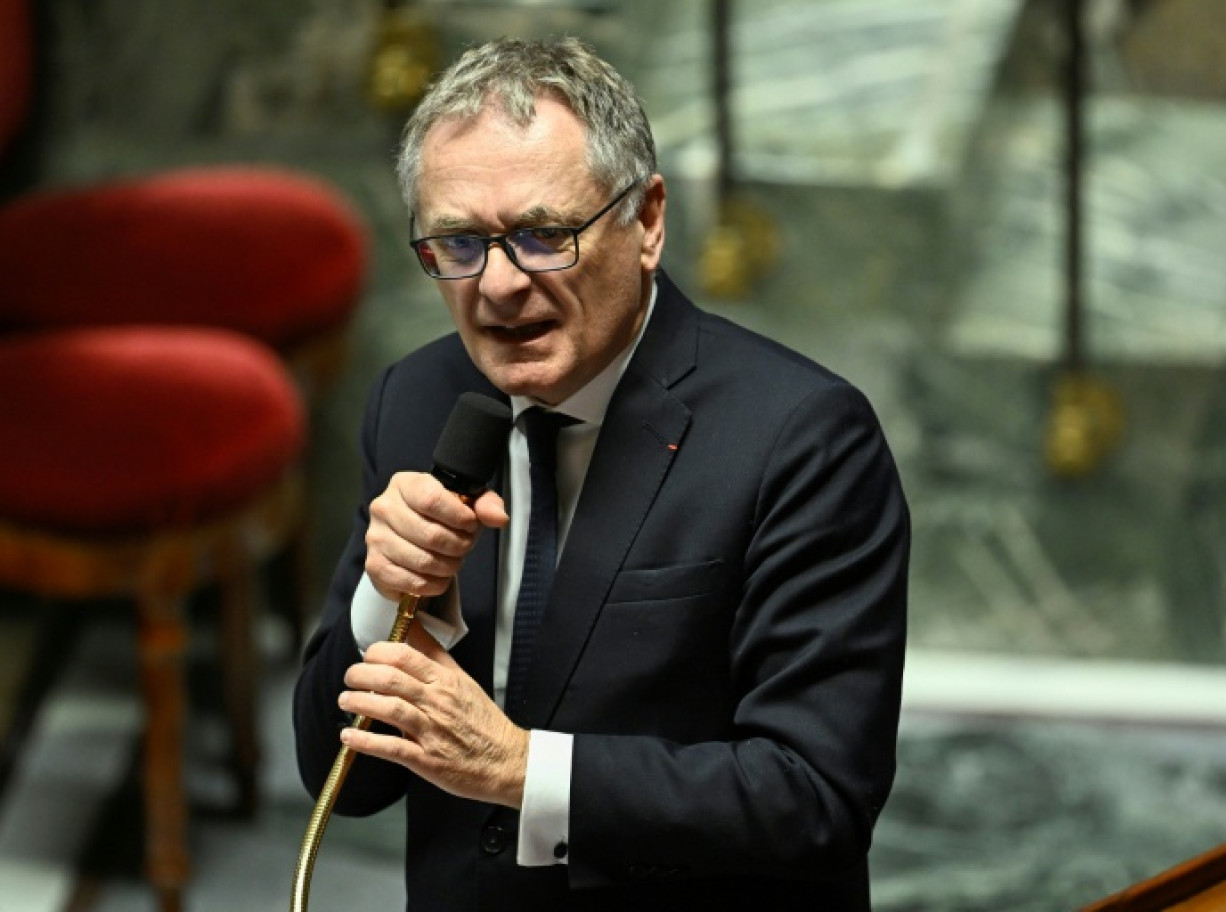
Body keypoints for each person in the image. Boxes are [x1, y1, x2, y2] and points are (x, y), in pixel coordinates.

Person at [293, 35, 909, 912]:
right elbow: (339, 781)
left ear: (648, 221)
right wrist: (382, 601)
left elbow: (814, 798)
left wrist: (520, 770)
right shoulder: (416, 399)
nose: (497, 286)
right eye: (458, 244)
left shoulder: (802, 437)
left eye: (544, 235)